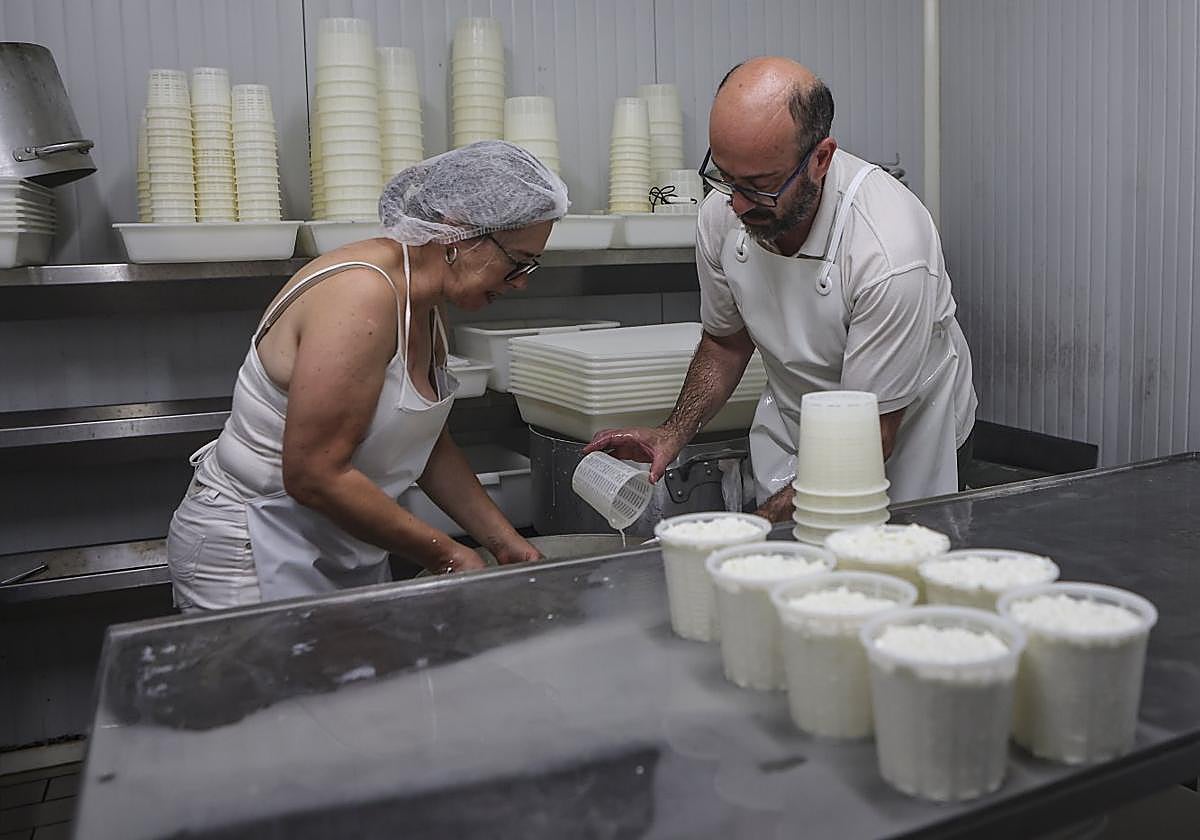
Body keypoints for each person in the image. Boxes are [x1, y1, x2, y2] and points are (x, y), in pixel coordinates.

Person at [166, 141, 568, 610]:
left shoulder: (424, 300)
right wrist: (448, 556)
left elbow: (423, 442)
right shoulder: (361, 295)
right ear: (459, 232)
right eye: (518, 262)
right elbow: (313, 474)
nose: (522, 281)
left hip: (338, 537)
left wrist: (504, 543)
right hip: (249, 547)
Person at [586, 57, 977, 519]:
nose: (737, 204)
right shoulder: (722, 215)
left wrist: (757, 527)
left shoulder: (888, 250)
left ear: (820, 159)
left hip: (905, 437)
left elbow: (870, 439)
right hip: (797, 422)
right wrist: (672, 433)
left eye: (760, 185)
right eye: (726, 178)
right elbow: (726, 343)